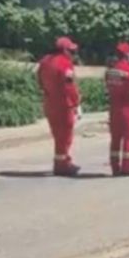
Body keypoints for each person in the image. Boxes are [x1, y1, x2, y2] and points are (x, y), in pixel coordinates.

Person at [37, 37, 82, 177]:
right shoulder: (65, 64)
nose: (73, 54)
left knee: (57, 135)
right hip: (64, 104)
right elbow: (69, 87)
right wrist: (76, 102)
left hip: (50, 102)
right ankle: (62, 165)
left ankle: (62, 162)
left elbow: (40, 80)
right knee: (65, 136)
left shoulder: (45, 61)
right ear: (64, 50)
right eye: (71, 51)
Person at [105, 42, 129, 177]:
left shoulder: (110, 71)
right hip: (128, 108)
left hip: (114, 109)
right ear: (127, 55)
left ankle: (115, 167)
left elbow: (108, 87)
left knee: (115, 138)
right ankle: (127, 167)